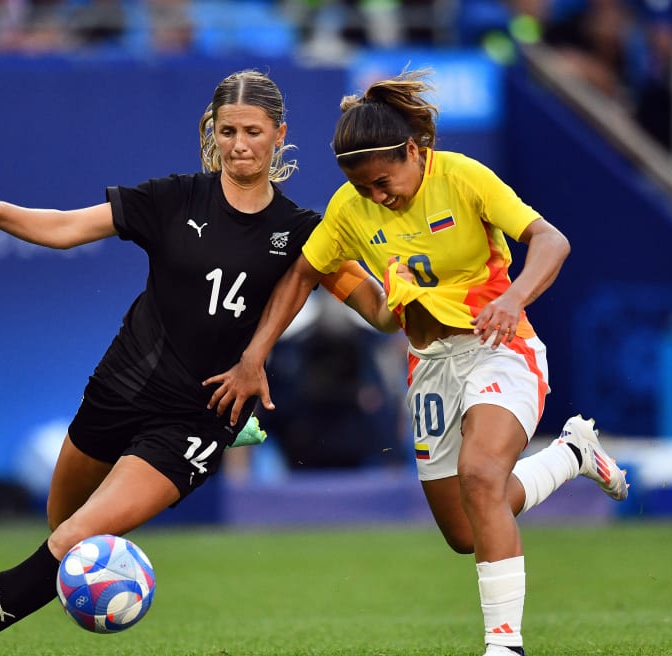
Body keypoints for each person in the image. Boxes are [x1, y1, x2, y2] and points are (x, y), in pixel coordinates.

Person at [0, 69, 395, 656]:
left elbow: (381, 312)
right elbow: (67, 228)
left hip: (196, 417)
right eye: (227, 131)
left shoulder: (301, 232)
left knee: (71, 542)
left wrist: (410, 266)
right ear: (211, 133)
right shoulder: (173, 198)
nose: (239, 143)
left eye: (252, 131)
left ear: (279, 134)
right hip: (119, 387)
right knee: (63, 534)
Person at [204, 70, 630, 656]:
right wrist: (254, 355)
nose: (377, 196)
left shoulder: (462, 176)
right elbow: (305, 273)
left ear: (413, 150)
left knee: (483, 477)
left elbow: (551, 240)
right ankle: (572, 454)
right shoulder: (351, 207)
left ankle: (505, 646)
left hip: (500, 348)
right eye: (362, 186)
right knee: (465, 529)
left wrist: (512, 299)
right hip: (428, 364)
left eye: (383, 181)